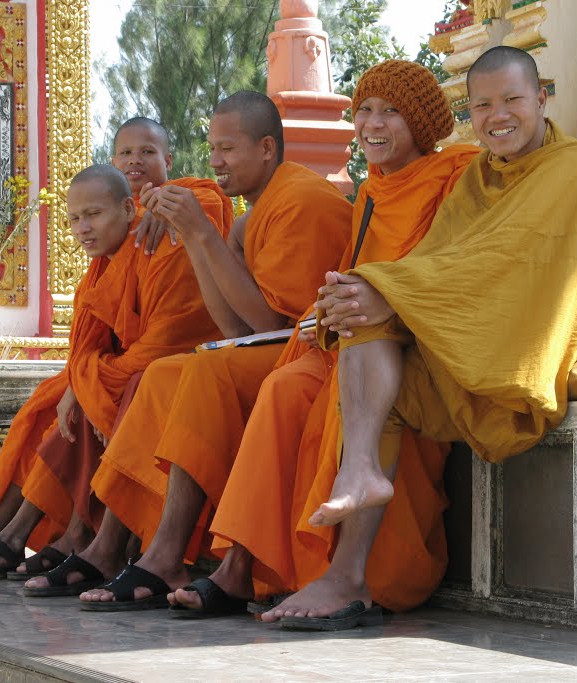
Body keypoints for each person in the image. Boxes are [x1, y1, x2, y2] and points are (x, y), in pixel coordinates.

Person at [256, 46, 577, 629]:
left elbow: (520, 267)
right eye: (482, 105)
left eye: (511, 100)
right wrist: (366, 295)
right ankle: (350, 553)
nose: (497, 116)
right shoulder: (477, 176)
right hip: (471, 333)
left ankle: (355, 507)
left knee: (375, 296)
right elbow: (445, 260)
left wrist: (388, 287)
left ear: (541, 98)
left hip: (535, 334)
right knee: (363, 314)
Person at [168, 60, 479, 618]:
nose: (372, 124)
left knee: (289, 387)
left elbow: (455, 269)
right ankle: (240, 565)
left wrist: (383, 299)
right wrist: (326, 309)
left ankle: (335, 574)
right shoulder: (371, 193)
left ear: (425, 122)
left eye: (391, 112)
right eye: (364, 110)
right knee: (285, 387)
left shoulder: (458, 175)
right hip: (350, 340)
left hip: (412, 342)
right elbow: (350, 270)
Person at [24, 91, 352, 606]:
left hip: (315, 354)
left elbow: (271, 324)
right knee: (163, 375)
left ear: (267, 148)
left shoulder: (302, 200)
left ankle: (165, 553)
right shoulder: (249, 218)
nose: (215, 161)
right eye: (211, 147)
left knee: (199, 372)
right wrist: (196, 237)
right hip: (271, 349)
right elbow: (235, 323)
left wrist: (200, 230)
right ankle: (115, 543)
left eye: (227, 149)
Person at [0, 119, 233, 581]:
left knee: (93, 401)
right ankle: (0, 531)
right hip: (127, 366)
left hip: (173, 362)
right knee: (48, 403)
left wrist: (162, 210)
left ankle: (52, 537)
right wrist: (80, 379)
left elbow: (170, 332)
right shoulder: (111, 251)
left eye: (147, 152)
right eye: (124, 154)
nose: (135, 162)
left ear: (168, 162)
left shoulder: (180, 217)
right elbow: (92, 343)